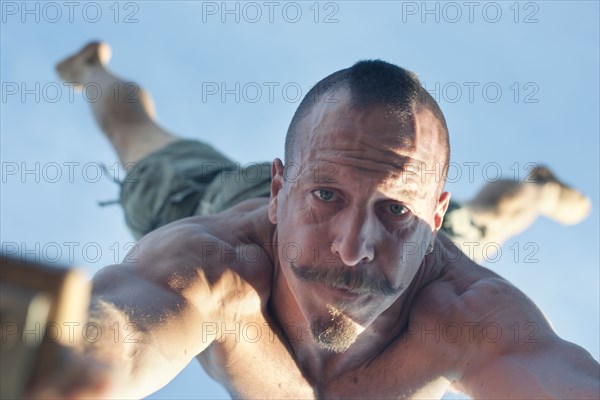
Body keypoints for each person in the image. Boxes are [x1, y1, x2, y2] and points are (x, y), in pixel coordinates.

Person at [39, 41, 597, 399]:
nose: (353, 248)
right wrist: (55, 366)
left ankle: (535, 192)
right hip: (224, 202)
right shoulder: (210, 267)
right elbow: (112, 335)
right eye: (328, 196)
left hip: (414, 240)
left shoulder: (465, 313)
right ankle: (92, 69)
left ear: (431, 217)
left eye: (395, 210)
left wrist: (368, 205)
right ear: (282, 191)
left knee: (493, 217)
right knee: (135, 138)